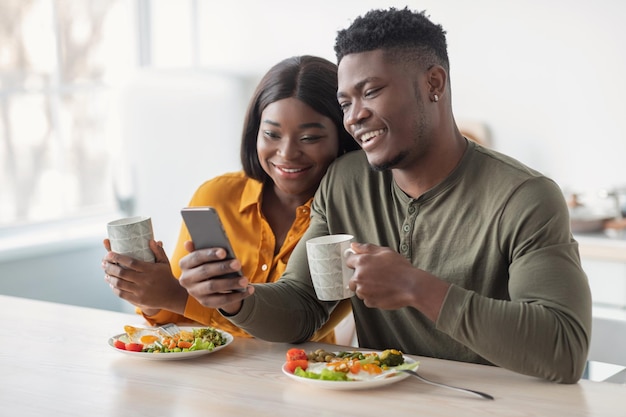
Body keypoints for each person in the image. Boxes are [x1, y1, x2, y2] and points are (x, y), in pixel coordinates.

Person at [177, 8, 591, 383]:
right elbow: (303, 307)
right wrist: (237, 298)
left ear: (434, 83)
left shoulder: (525, 197)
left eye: (371, 92)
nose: (354, 115)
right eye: (346, 101)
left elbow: (564, 351)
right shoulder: (345, 182)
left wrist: (418, 288)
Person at [101, 55, 359, 342]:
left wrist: (175, 296)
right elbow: (174, 322)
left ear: (343, 138)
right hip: (212, 377)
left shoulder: (350, 213)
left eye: (309, 138)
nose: (286, 153)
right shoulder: (217, 197)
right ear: (254, 133)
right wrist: (149, 295)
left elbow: (300, 327)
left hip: (303, 376)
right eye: (271, 134)